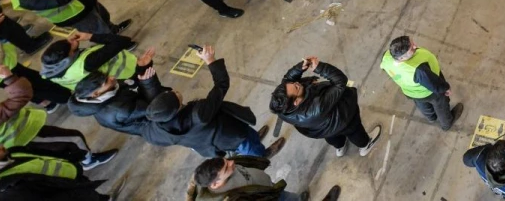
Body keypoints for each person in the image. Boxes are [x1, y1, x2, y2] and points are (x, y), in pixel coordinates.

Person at [142, 44, 281, 159]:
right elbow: (221, 85)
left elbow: (158, 107)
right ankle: (262, 156)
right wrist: (210, 60)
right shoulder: (199, 114)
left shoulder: (159, 128)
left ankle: (255, 139)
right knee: (248, 145)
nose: (174, 91)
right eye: (174, 95)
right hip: (233, 135)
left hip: (217, 143)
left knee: (250, 138)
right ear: (177, 108)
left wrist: (149, 82)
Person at [269, 56, 382, 157]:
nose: (297, 83)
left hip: (321, 129)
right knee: (353, 130)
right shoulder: (317, 108)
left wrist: (299, 68)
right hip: (343, 119)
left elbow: (287, 81)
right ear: (297, 102)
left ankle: (340, 147)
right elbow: (340, 82)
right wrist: (320, 67)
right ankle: (365, 145)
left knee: (332, 136)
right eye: (296, 87)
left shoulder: (281, 107)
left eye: (294, 84)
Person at [380, 36, 462, 131]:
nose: (415, 46)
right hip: (429, 93)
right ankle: (447, 123)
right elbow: (433, 84)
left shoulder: (386, 57)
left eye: (412, 43)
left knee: (423, 105)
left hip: (412, 92)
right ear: (402, 57)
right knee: (441, 105)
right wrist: (445, 88)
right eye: (411, 48)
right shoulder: (418, 70)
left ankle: (431, 118)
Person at [187, 155, 341, 201]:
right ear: (216, 184)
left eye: (226, 161)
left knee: (291, 198)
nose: (232, 162)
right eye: (227, 167)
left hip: (269, 190)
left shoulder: (203, 176)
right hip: (267, 199)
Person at [39, 31, 136, 92]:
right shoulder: (88, 63)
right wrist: (90, 36)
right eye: (71, 47)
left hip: (102, 89)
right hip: (127, 74)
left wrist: (68, 45)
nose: (71, 41)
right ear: (68, 58)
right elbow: (123, 41)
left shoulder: (50, 73)